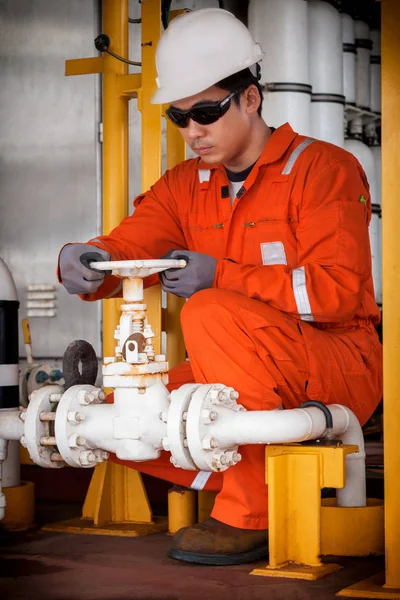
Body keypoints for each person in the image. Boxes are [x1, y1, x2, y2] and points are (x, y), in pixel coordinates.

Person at [58, 8, 382, 565]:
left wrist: (223, 277)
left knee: (209, 311)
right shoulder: (186, 184)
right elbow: (134, 243)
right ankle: (240, 475)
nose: (193, 132)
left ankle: (248, 510)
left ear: (251, 98)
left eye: (206, 112)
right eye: (180, 117)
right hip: (244, 372)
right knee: (111, 418)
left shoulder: (323, 169)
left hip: (337, 361)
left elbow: (337, 294)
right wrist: (91, 259)